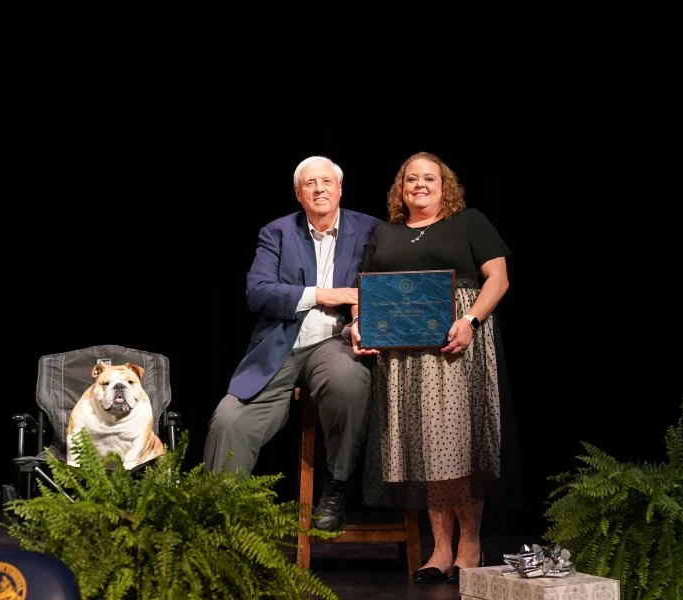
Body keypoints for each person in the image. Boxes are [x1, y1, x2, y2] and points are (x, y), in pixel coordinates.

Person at [349, 151, 512, 583]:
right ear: (400, 188)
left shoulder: (469, 222)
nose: (420, 185)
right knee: (423, 448)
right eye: (411, 179)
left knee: (456, 443)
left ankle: (470, 543)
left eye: (429, 178)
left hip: (454, 343)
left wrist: (471, 321)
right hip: (402, 354)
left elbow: (498, 278)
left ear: (445, 186)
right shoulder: (386, 233)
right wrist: (359, 325)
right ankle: (440, 548)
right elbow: (369, 290)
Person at [203, 155, 384, 532]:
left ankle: (336, 487)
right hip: (282, 344)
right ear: (298, 194)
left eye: (326, 182)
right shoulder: (277, 233)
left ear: (339, 189)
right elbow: (259, 293)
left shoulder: (371, 230)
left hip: (338, 341)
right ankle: (217, 518)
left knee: (348, 382)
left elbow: (381, 288)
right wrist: (324, 295)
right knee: (229, 419)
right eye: (309, 184)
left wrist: (360, 320)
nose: (319, 189)